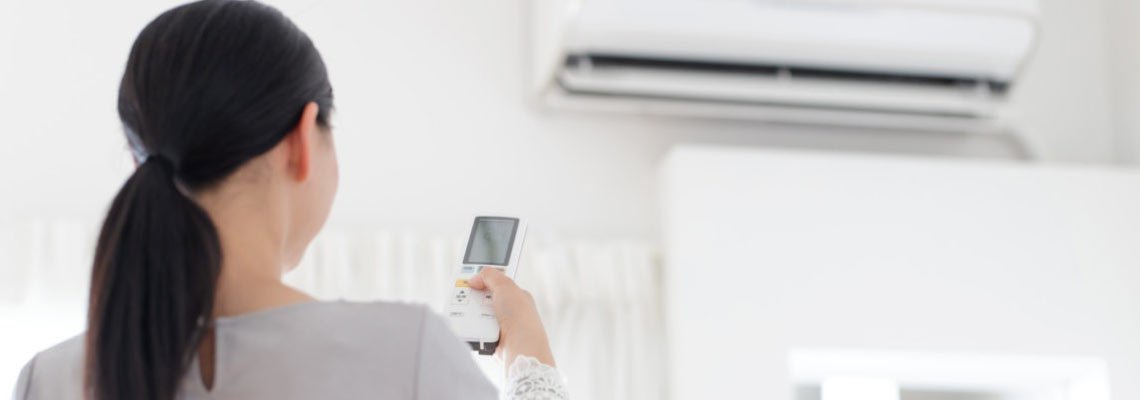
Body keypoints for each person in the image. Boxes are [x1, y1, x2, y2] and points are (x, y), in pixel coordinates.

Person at [11, 1, 567, 399]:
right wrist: (530, 362)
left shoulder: (47, 379)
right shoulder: (406, 353)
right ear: (302, 140)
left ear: (140, 161)